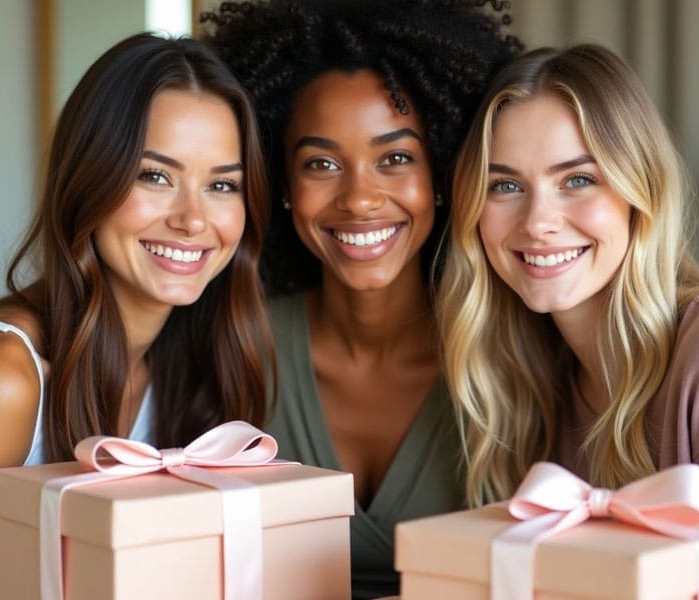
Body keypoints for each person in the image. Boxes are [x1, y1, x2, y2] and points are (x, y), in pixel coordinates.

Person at [202, 1, 522, 597]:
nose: (359, 199)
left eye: (395, 158)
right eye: (321, 163)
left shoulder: (514, 355)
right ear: (283, 183)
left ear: (446, 174)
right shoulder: (236, 345)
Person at [0, 32, 273, 598]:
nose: (192, 219)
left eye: (222, 185)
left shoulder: (195, 360)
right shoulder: (1, 378)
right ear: (91, 178)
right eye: (154, 175)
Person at [439, 43, 699, 519]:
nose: (537, 222)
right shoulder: (529, 382)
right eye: (505, 186)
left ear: (642, 188)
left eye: (577, 180)